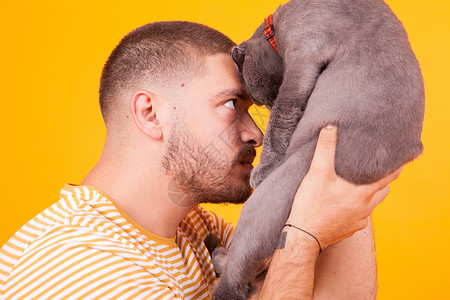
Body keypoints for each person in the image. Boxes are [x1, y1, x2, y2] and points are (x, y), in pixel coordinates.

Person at [0, 21, 401, 299]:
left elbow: (320, 295)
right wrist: (301, 236)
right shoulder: (83, 267)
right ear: (150, 114)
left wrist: (338, 151)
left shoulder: (192, 230)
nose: (256, 134)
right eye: (230, 104)